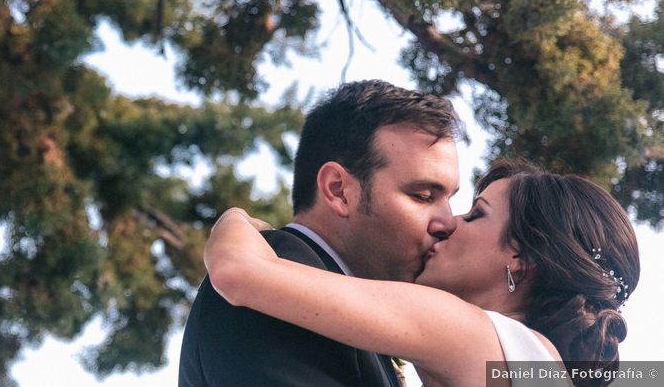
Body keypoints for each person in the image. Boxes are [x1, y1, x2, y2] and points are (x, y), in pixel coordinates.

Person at [204, 159, 640, 387]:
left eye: (476, 215)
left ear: (520, 261)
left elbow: (237, 271)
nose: (450, 223)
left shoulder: (479, 338)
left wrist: (239, 220)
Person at [179, 80, 463, 386]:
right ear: (338, 190)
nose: (448, 222)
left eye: (450, 199)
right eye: (422, 195)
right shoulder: (274, 283)